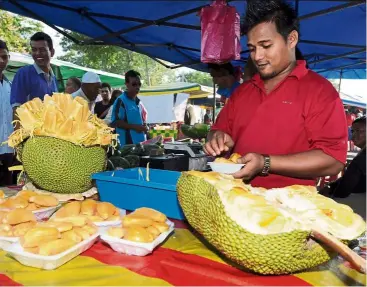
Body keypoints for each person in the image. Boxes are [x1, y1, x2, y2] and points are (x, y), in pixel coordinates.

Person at [204, 0, 347, 189]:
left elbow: (333, 159)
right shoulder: (243, 92)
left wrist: (265, 163)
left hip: (290, 207)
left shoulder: (320, 92)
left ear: (291, 39)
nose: (257, 56)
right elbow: (217, 131)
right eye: (253, 48)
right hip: (235, 197)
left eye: (266, 45)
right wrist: (216, 138)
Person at [321, 116, 366, 217]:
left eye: (359, 131)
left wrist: (330, 193)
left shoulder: (363, 158)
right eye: (353, 131)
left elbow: (343, 190)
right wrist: (332, 185)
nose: (353, 135)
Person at [11, 32, 58, 123]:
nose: (37, 53)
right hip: (30, 134)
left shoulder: (53, 78)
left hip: (49, 133)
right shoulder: (24, 74)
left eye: (42, 50)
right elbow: (17, 110)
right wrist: (21, 137)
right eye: (34, 49)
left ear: (52, 52)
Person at [111, 70, 147, 145]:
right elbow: (116, 122)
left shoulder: (139, 102)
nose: (137, 87)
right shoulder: (121, 101)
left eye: (139, 84)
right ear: (126, 84)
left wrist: (144, 126)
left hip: (141, 144)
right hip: (127, 147)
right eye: (134, 84)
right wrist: (135, 127)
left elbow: (139, 122)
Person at [0, 40, 14, 186]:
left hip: (9, 149)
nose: (1, 61)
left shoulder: (10, 86)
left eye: (4, 57)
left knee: (8, 190)